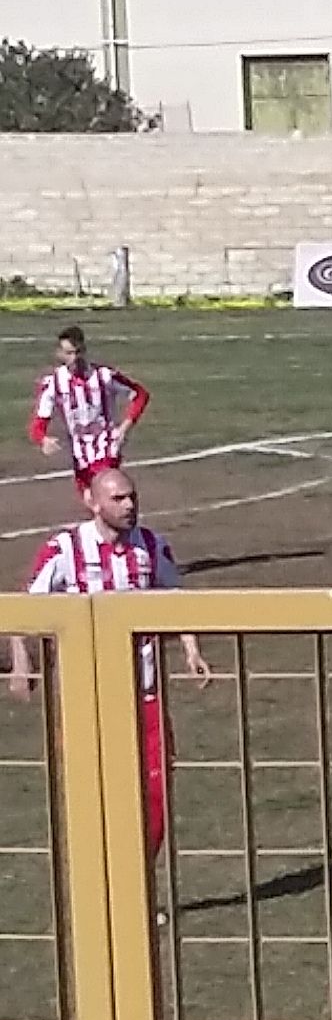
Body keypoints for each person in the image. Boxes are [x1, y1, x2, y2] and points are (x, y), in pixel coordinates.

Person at [7, 465, 211, 852]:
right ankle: (101, 896)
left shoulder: (152, 545)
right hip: (86, 698)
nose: (129, 505)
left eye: (132, 497)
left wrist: (191, 649)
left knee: (155, 794)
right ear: (91, 502)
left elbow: (177, 600)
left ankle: (140, 888)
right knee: (92, 795)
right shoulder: (64, 550)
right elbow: (23, 608)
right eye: (118, 498)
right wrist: (22, 663)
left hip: (144, 694)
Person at [31, 326, 149, 482]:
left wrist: (124, 428)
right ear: (59, 354)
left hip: (107, 444)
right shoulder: (53, 384)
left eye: (78, 352)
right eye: (68, 353)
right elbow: (38, 424)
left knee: (106, 489)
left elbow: (140, 394)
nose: (74, 358)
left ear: (84, 350)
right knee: (91, 500)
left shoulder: (104, 375)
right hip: (79, 452)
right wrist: (43, 439)